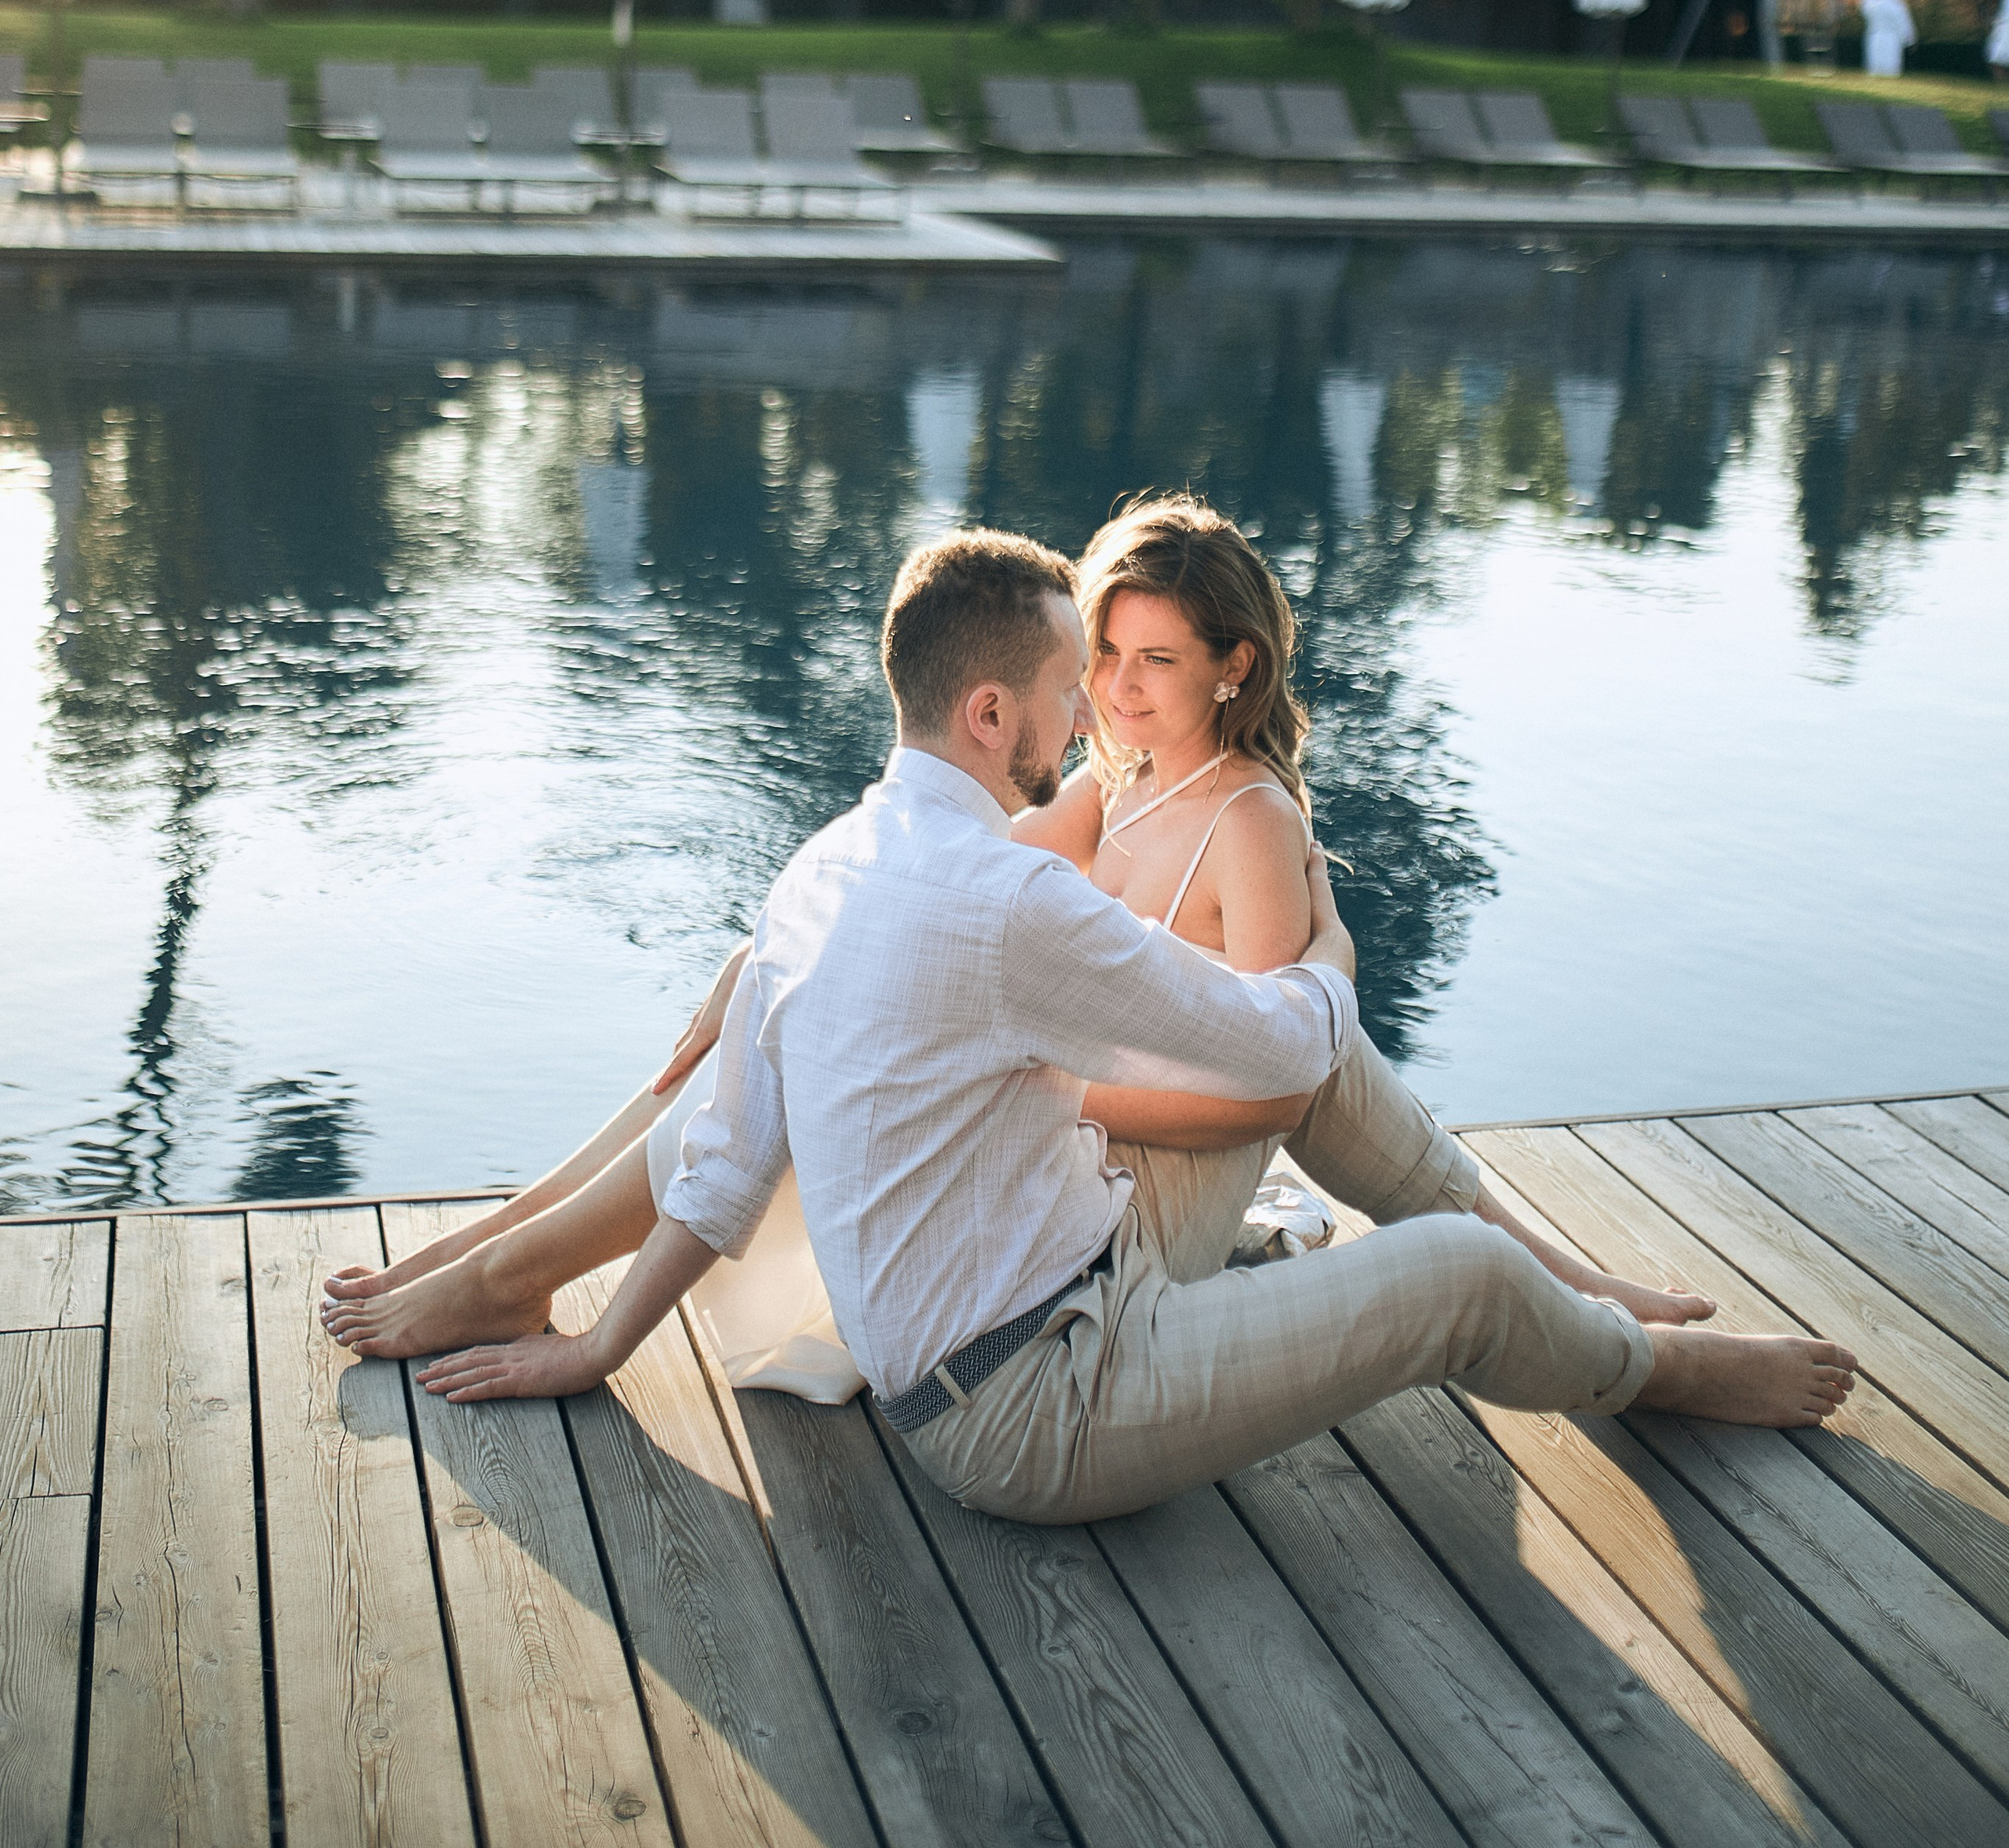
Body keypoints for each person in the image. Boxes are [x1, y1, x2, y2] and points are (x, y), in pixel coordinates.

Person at [322, 528, 1855, 1521]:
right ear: (992, 713)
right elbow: (1283, 1052)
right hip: (1035, 1413)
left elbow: (729, 1141)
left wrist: (605, 1343)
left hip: (1067, 1283)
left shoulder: (837, 858)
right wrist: (1320, 948)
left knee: (1301, 1097)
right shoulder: (1007, 901)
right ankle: (1642, 1368)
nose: (1090, 715)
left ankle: (1570, 1293)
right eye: (1073, 679)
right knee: (1441, 1258)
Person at [1859, 0, 1916, 77]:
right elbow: (1903, 21)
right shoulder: (1896, 4)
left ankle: (1876, 73)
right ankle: (1889, 74)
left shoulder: (1873, 3)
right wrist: (1910, 39)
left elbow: (1865, 9)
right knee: (1890, 60)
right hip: (1891, 36)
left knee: (1876, 59)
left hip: (1876, 35)